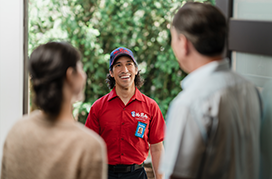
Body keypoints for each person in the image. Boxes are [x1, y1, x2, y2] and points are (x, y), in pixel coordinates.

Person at [159, 2, 262, 179]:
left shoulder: (190, 102)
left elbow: (177, 175)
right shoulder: (249, 89)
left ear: (183, 43)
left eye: (173, 38)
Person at [1, 42, 107, 179]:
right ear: (70, 75)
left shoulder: (16, 130)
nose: (84, 75)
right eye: (80, 67)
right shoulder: (88, 146)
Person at [85, 47, 165, 179]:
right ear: (111, 72)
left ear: (136, 69)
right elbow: (89, 149)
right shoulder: (98, 107)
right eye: (118, 65)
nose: (125, 70)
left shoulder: (151, 106)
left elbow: (157, 149)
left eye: (129, 64)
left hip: (137, 174)